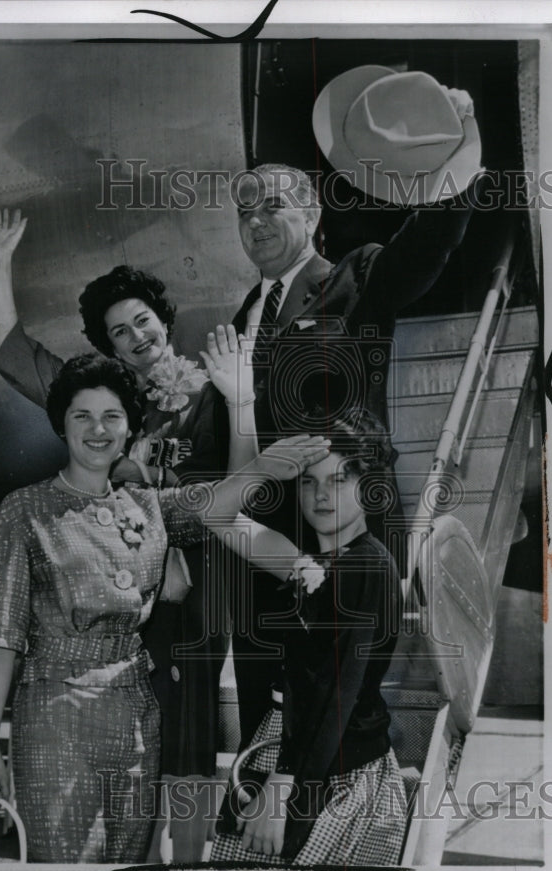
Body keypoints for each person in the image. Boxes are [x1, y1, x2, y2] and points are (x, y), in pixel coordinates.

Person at [0, 349, 329, 863]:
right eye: (82, 416)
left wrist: (265, 465)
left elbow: (220, 503)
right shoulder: (23, 511)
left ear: (130, 427)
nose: (98, 429)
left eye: (112, 416)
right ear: (61, 425)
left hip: (137, 717)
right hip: (54, 720)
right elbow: (1, 633)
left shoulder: (147, 506)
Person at [0, 212, 256, 854]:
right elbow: (17, 352)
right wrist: (0, 262)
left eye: (142, 321)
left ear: (165, 320)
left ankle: (187, 864)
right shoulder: (107, 405)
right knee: (144, 736)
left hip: (207, 586)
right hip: (131, 595)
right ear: (106, 348)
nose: (136, 337)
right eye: (118, 332)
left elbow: (243, 489)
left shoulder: (218, 385)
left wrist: (239, 399)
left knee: (189, 736)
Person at [228, 84, 482, 747]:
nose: (254, 220)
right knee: (264, 715)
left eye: (272, 205)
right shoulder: (242, 316)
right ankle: (268, 833)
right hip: (262, 544)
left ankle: (342, 837)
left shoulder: (356, 276)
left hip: (343, 534)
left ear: (312, 213)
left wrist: (454, 154)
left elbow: (422, 249)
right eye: (243, 210)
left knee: (339, 717)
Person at [209, 408, 406, 866]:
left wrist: (282, 789)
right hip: (295, 759)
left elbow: (332, 689)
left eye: (339, 481)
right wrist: (261, 468)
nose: (321, 496)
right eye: (307, 481)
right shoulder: (312, 568)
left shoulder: (364, 566)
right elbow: (216, 516)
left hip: (328, 773)